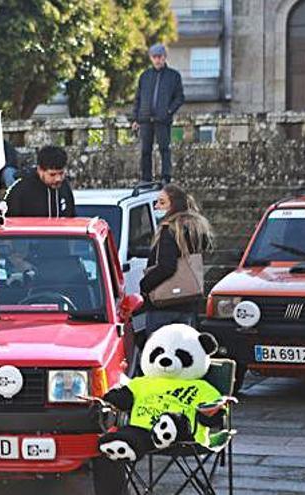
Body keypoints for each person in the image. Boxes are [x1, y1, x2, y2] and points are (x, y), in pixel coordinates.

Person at [139, 184, 213, 339]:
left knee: (159, 350)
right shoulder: (195, 229)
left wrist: (145, 284)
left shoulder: (170, 230)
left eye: (162, 202)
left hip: (164, 304)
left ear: (174, 205)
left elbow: (167, 266)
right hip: (188, 300)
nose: (156, 206)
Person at [132, 43, 185, 184]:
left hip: (162, 119)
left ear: (164, 57)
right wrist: (135, 118)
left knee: (164, 149)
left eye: (159, 57)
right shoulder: (144, 76)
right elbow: (138, 97)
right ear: (151, 58)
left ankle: (166, 177)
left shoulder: (173, 76)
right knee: (145, 150)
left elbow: (180, 97)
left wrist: (168, 111)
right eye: (154, 57)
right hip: (145, 119)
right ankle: (146, 178)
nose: (157, 60)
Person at [4, 145, 76, 218]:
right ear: (40, 170)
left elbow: (71, 216)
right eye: (52, 174)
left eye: (61, 173)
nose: (58, 179)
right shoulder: (20, 189)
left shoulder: (64, 186)